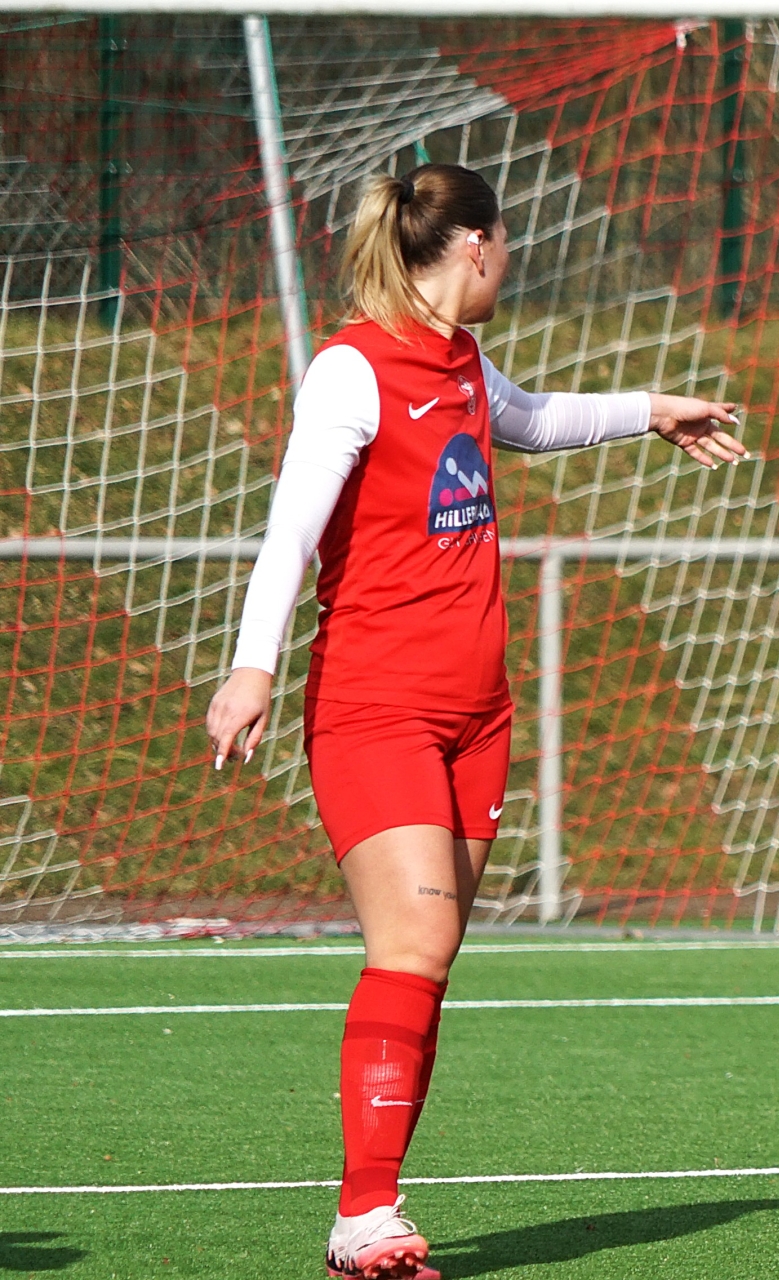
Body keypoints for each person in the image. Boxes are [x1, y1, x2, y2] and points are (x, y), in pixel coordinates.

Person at [202, 164, 747, 1280]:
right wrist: (252, 667)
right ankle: (365, 1215)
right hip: (376, 709)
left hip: (476, 718)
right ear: (476, 247)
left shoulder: (457, 359)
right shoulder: (354, 368)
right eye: (508, 246)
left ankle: (372, 1211)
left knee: (432, 956)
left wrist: (654, 411)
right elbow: (288, 532)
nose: (511, 264)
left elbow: (532, 418)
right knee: (410, 946)